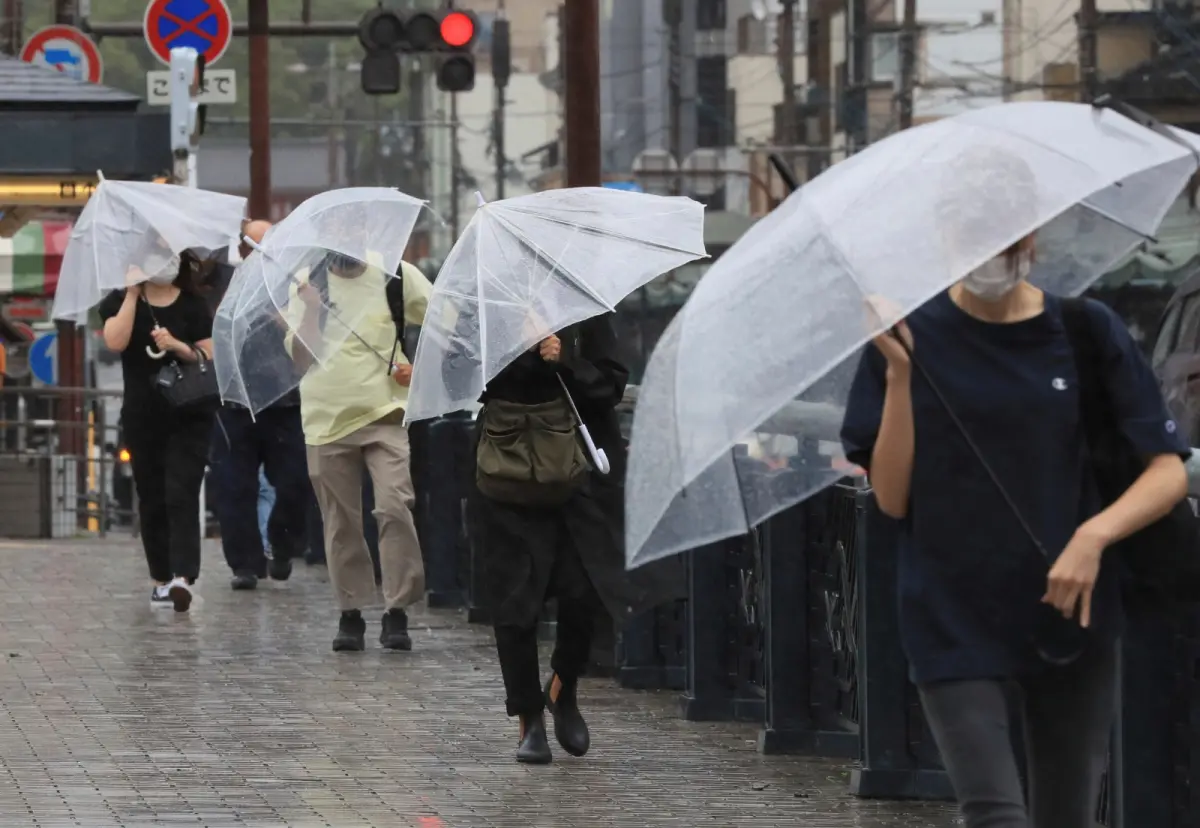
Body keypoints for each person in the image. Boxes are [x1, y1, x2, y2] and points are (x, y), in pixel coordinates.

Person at [840, 231, 1189, 826]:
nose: (990, 258)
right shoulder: (907, 338)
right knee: (994, 812)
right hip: (949, 614)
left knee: (1066, 814)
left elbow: (1166, 471)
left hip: (1071, 612)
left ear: (1034, 241)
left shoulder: (1085, 330)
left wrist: (1093, 536)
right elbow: (894, 500)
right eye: (974, 240)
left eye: (1007, 240)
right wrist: (900, 375)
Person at [462, 312, 677, 764]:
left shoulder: (582, 308)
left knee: (584, 590)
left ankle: (563, 685)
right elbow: (458, 377)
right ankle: (528, 718)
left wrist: (563, 358)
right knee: (515, 600)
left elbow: (611, 384)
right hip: (509, 471)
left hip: (578, 477)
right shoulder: (486, 305)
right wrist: (509, 348)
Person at [287, 246, 432, 652]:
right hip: (326, 419)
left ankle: (397, 609)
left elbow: (445, 322)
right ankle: (350, 612)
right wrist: (312, 310)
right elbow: (300, 359)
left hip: (386, 414)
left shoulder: (397, 276)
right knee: (340, 521)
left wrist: (418, 368)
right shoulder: (306, 280)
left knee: (394, 505)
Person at [99, 247, 216, 612]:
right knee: (151, 496)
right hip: (142, 414)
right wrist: (133, 294)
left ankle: (183, 576)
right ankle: (160, 580)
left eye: (168, 254)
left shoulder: (194, 304)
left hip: (189, 413)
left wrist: (178, 346)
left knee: (181, 491)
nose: (162, 262)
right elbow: (115, 340)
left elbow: (207, 354)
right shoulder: (119, 301)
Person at [206, 219, 309, 590]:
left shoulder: (296, 282)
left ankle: (283, 545)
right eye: (254, 243)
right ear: (244, 246)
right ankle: (244, 564)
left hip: (286, 400)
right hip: (235, 400)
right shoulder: (226, 280)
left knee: (296, 481)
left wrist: (286, 323)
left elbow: (313, 341)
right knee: (234, 486)